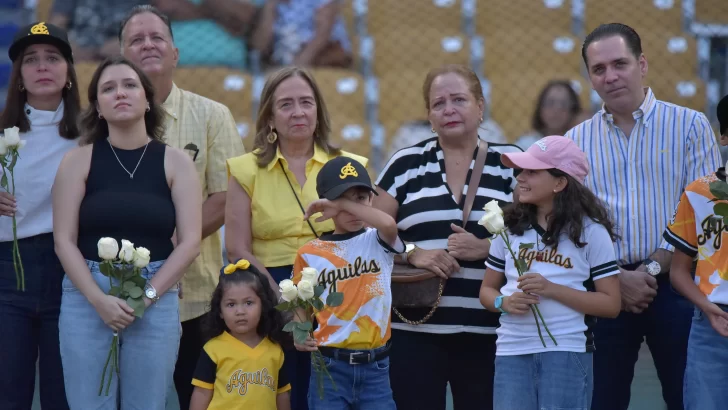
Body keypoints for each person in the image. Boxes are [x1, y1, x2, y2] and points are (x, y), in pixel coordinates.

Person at [565, 23, 723, 410]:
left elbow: (705, 215)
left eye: (620, 63)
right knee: (602, 400)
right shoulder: (575, 142)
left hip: (677, 284)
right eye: (599, 69)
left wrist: (650, 271)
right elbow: (572, 224)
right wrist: (618, 278)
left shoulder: (690, 126)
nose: (611, 76)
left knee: (687, 399)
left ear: (642, 64)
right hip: (604, 284)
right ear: (590, 77)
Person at [52, 56, 202, 409]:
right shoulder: (77, 161)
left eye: (130, 85)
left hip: (155, 294)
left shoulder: (177, 162)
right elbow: (63, 240)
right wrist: (98, 300)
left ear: (148, 99)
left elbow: (191, 241)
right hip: (87, 296)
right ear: (98, 107)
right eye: (108, 88)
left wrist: (147, 297)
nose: (120, 93)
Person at [117, 6, 245, 409]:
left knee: (201, 399)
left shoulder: (212, 115)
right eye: (136, 40)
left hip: (196, 296)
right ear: (123, 56)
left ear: (175, 52)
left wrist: (172, 240)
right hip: (120, 297)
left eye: (156, 37)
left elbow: (225, 197)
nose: (148, 45)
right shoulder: (102, 121)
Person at [373, 64, 522, 410]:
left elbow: (539, 242)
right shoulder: (405, 165)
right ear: (428, 115)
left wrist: (487, 248)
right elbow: (368, 236)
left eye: (459, 99)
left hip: (492, 332)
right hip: (414, 331)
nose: (449, 109)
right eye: (438, 103)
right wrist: (412, 252)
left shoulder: (511, 164)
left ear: (481, 106)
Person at [225, 66, 368, 410]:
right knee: (284, 392)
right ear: (270, 118)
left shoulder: (349, 165)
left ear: (318, 111)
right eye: (286, 105)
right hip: (269, 287)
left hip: (338, 285)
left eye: (306, 102)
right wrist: (286, 302)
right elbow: (237, 248)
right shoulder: (246, 170)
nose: (298, 112)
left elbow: (364, 236)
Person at [479, 136, 621, 409]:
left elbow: (611, 304)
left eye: (532, 171)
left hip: (566, 351)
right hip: (511, 351)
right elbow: (487, 292)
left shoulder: (591, 232)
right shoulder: (507, 229)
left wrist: (551, 289)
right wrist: (504, 302)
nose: (520, 177)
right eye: (520, 170)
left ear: (560, 182)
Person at [0, 21, 80, 410]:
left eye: (53, 57)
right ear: (19, 75)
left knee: (61, 394)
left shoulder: (92, 133)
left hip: (71, 274)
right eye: (31, 60)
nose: (42, 66)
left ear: (68, 72)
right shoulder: (1, 133)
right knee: (8, 391)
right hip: (7, 273)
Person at [292, 156, 404, 409]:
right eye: (343, 201)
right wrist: (300, 332)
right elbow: (300, 301)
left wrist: (342, 202)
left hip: (376, 366)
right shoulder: (310, 252)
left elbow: (388, 222)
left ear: (371, 201)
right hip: (330, 364)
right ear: (327, 206)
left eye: (361, 199)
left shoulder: (378, 239)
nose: (353, 209)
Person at [664, 94, 728, 410]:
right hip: (711, 324)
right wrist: (708, 307)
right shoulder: (698, 193)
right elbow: (678, 271)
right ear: (723, 136)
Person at [190, 260, 291, 410]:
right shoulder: (212, 350)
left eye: (248, 303)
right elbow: (202, 394)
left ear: (263, 305)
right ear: (220, 312)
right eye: (231, 304)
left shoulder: (275, 350)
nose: (240, 311)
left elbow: (282, 394)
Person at [252, 0, 353, 68]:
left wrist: (295, 67)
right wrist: (270, 8)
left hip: (323, 54)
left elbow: (322, 35)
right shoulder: (271, 3)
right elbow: (259, 46)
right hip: (284, 58)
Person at [514, 80, 583, 150]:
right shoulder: (525, 145)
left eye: (564, 104)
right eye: (550, 103)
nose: (556, 110)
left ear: (573, 110)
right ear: (540, 108)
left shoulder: (580, 145)